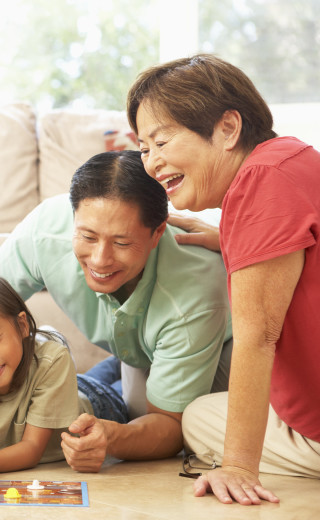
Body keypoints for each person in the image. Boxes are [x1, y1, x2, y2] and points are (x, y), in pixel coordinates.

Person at [128, 54, 320, 505]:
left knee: (195, 419)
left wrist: (237, 466)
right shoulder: (291, 160)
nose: (152, 163)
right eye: (143, 148)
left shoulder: (260, 181)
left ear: (228, 129)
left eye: (161, 141)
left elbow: (259, 336)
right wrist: (231, 240)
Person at [0, 150, 233, 472]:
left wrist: (112, 438)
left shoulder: (193, 297)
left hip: (217, 350)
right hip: (142, 348)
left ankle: (114, 374)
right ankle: (115, 367)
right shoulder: (45, 231)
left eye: (121, 243)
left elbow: (170, 427)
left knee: (138, 417)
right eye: (87, 236)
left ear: (157, 233)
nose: (101, 260)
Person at [0, 273, 127, 483]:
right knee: (94, 374)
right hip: (59, 387)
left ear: (22, 326)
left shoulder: (53, 360)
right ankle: (116, 363)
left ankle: (123, 361)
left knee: (124, 385)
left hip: (97, 402)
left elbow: (31, 450)